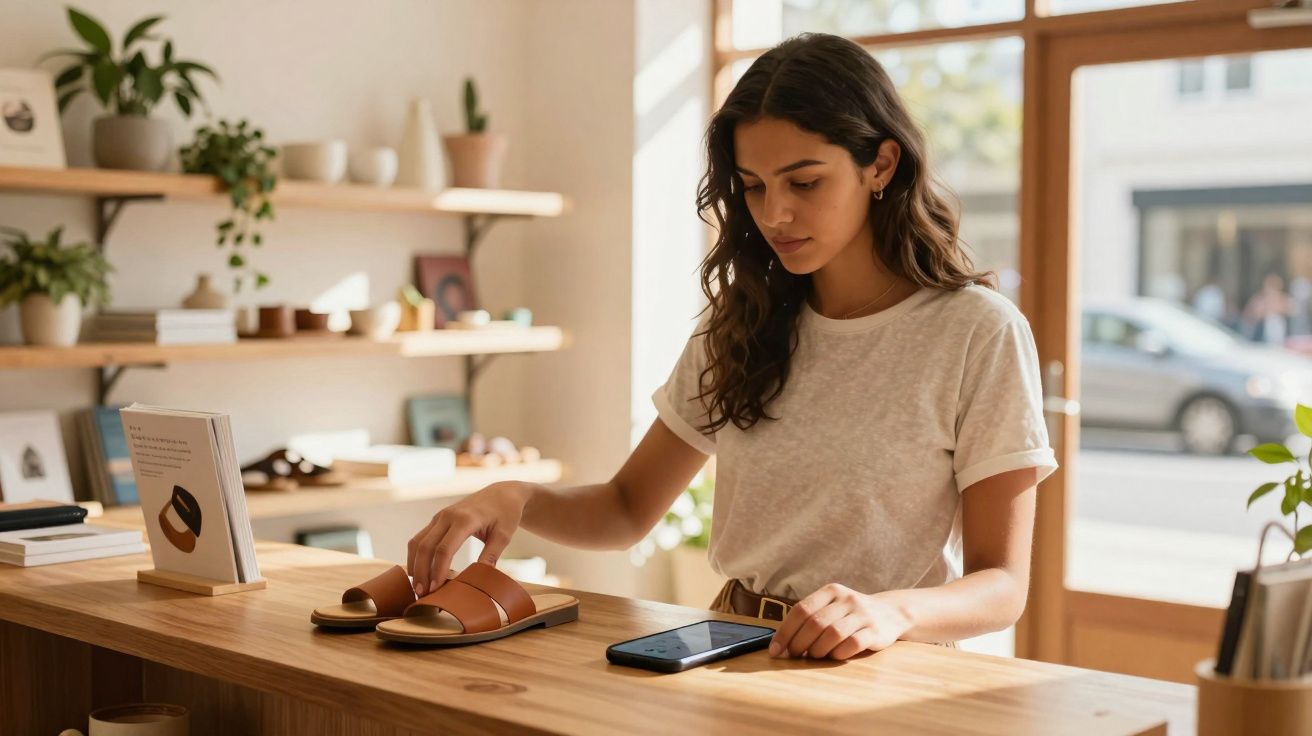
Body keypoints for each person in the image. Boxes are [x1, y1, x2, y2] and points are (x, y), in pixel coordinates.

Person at [407, 33, 1057, 660]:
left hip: (887, 666)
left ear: (881, 164)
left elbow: (1002, 584)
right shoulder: (739, 323)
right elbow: (626, 509)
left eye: (804, 183)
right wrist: (516, 498)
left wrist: (893, 611)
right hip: (729, 646)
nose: (774, 213)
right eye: (752, 185)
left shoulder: (976, 333)